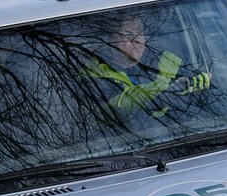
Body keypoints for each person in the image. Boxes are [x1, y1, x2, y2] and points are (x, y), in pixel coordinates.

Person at [80, 13, 211, 118]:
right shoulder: (94, 75)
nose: (137, 39)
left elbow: (193, 97)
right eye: (129, 35)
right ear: (111, 40)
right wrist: (166, 93)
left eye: (140, 32)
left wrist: (198, 83)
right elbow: (119, 108)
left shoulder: (166, 60)